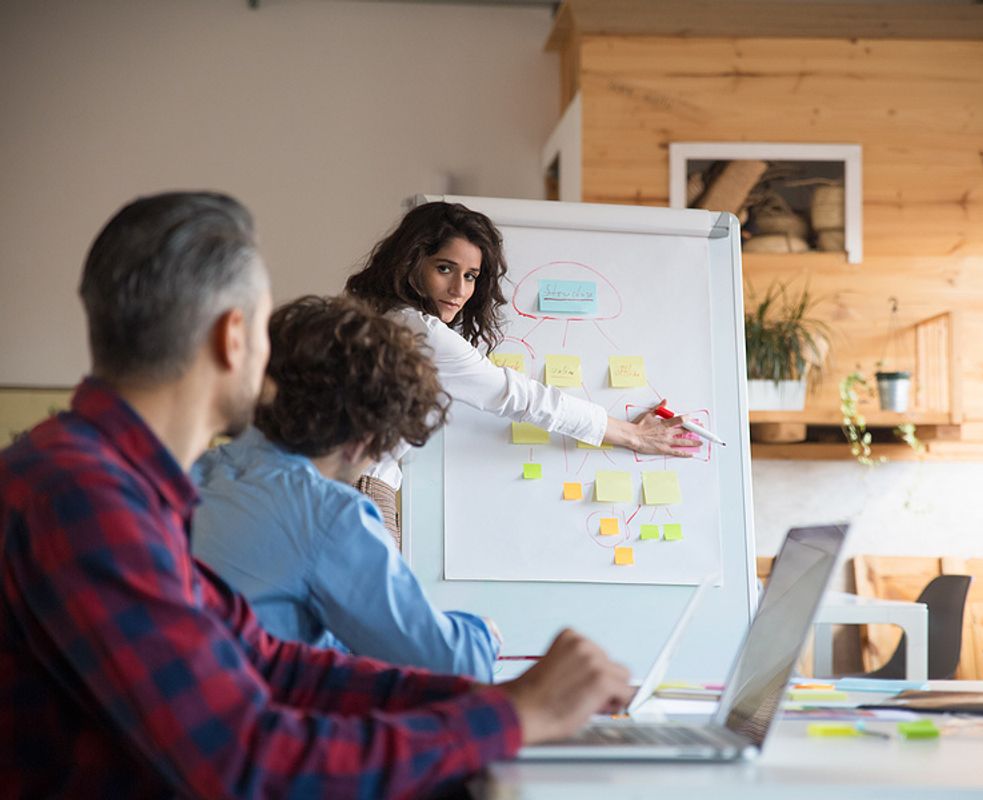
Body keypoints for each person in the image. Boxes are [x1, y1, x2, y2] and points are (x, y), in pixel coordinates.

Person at [0, 191, 631, 797]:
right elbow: (247, 761)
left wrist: (496, 701)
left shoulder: (127, 483)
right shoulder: (86, 498)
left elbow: (268, 661)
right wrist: (509, 718)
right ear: (234, 336)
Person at [192, 294, 500, 681]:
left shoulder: (194, 473)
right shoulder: (330, 514)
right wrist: (484, 634)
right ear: (365, 438)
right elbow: (450, 664)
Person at [344, 201, 701, 534]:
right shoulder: (422, 333)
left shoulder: (378, 319)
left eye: (471, 276)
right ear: (410, 263)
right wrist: (633, 435)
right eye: (444, 269)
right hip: (361, 491)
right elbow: (523, 398)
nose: (458, 289)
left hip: (345, 487)